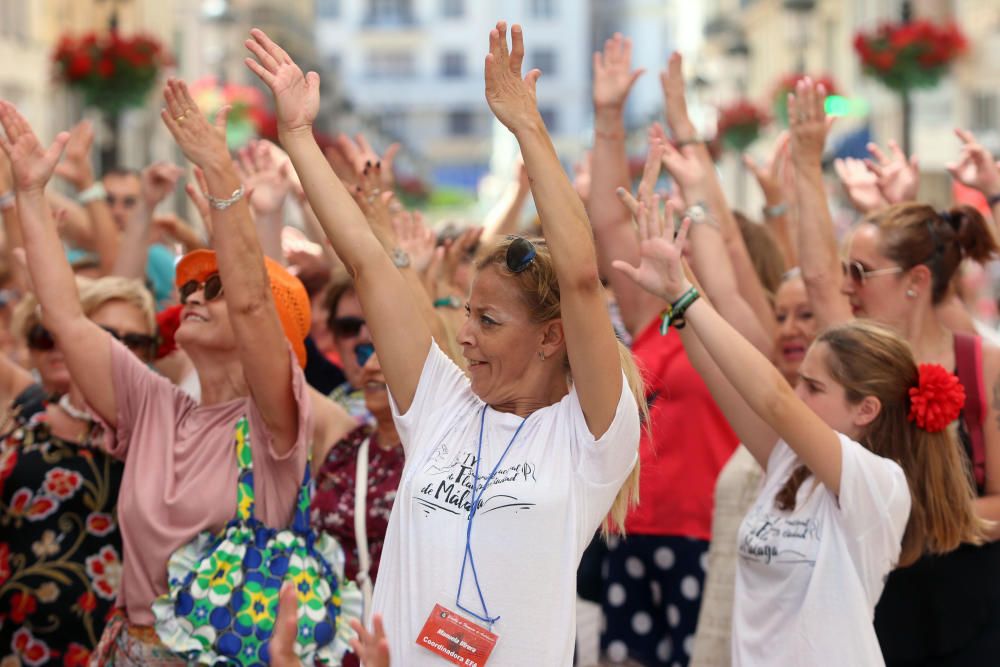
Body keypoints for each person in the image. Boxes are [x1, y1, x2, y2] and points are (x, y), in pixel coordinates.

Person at [245, 22, 642, 664]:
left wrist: (526, 126)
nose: (463, 334)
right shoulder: (440, 404)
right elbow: (369, 264)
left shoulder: (588, 437)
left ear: (551, 336)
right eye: (467, 313)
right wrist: (297, 136)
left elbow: (578, 279)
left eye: (489, 321)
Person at [0, 80, 311, 663]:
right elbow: (65, 315)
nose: (191, 295)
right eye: (189, 286)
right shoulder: (154, 406)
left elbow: (251, 304)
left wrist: (220, 173)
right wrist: (32, 193)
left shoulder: (277, 420)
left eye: (213, 288)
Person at [615, 211, 984, 665]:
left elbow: (774, 399)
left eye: (814, 387)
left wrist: (687, 294)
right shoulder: (790, 461)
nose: (798, 393)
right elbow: (715, 371)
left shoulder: (879, 480)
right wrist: (677, 286)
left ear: (866, 409)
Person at [789, 77, 1000, 665]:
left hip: (972, 610)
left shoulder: (979, 362)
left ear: (915, 282)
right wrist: (806, 164)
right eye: (847, 270)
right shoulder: (857, 355)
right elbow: (815, 279)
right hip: (877, 602)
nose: (846, 286)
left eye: (860, 272)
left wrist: (921, 521)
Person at [0, 276, 156, 665]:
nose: (121, 351)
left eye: (137, 342)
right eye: (107, 336)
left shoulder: (160, 437)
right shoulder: (22, 422)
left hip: (112, 648)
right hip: (16, 642)